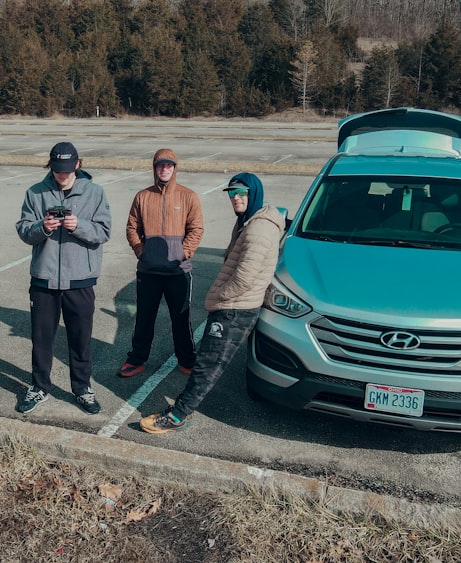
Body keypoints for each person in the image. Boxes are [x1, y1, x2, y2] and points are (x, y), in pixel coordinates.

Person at [140, 172, 284, 433]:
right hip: (234, 304)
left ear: (254, 193)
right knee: (208, 360)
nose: (235, 198)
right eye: (232, 193)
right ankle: (181, 411)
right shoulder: (247, 221)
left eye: (241, 192)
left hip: (235, 309)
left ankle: (177, 416)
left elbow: (245, 277)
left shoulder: (259, 228)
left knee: (208, 363)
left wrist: (218, 298)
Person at [15, 142, 112, 415]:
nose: (62, 175)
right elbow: (23, 230)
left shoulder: (95, 193)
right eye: (58, 170)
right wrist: (41, 227)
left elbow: (104, 231)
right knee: (42, 338)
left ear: (78, 165)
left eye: (67, 170)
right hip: (44, 280)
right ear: (51, 166)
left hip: (80, 279)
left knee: (81, 338)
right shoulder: (35, 193)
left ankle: (82, 389)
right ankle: (39, 387)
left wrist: (78, 226)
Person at [118, 149, 204, 379]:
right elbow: (132, 228)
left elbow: (196, 229)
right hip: (149, 271)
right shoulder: (142, 196)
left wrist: (183, 253)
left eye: (169, 165)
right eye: (160, 165)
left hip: (178, 272)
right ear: (154, 168)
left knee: (181, 319)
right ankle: (137, 359)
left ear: (175, 168)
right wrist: (141, 251)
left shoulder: (188, 196)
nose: (164, 169)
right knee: (144, 317)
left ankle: (187, 359)